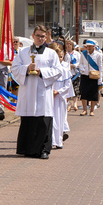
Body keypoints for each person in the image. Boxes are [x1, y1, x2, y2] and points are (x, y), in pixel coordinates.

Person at [12, 25, 61, 159]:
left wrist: (42, 72)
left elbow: (58, 71)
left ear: (46, 37)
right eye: (38, 36)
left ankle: (44, 150)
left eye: (42, 36)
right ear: (33, 36)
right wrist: (26, 69)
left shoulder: (51, 53)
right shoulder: (23, 52)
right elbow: (14, 68)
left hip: (43, 91)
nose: (40, 38)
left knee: (43, 121)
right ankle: (27, 149)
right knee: (28, 121)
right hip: (28, 90)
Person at [51, 42, 74, 149]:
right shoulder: (49, 69)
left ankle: (59, 140)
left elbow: (67, 84)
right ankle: (50, 140)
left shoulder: (64, 70)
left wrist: (58, 92)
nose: (59, 59)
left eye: (60, 57)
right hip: (49, 98)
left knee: (59, 120)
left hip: (59, 99)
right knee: (50, 119)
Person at [78, 39, 103, 116]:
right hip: (85, 75)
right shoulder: (83, 53)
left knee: (93, 94)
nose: (88, 47)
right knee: (84, 93)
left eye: (90, 46)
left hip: (94, 76)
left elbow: (100, 67)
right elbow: (80, 64)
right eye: (87, 46)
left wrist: (100, 79)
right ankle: (84, 110)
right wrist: (82, 69)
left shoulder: (98, 55)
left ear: (93, 46)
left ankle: (92, 110)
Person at [0, 40, 12, 121]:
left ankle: (0, 111)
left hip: (2, 70)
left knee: (0, 91)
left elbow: (10, 62)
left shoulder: (6, 48)